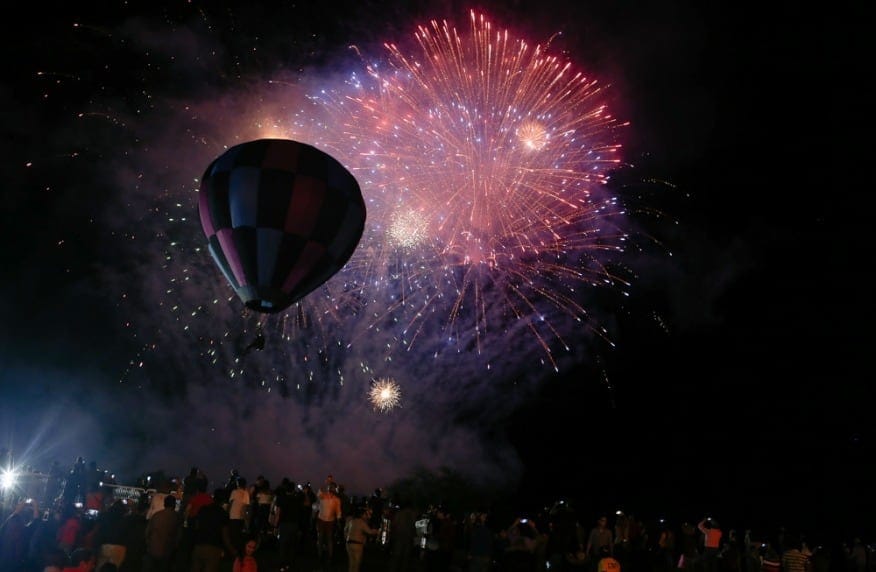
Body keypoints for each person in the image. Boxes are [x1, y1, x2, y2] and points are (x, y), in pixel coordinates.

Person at [143, 494, 180, 572]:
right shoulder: (176, 517)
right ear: (174, 505)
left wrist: (149, 545)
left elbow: (147, 532)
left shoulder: (156, 515)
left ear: (164, 504)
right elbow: (178, 537)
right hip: (166, 552)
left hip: (152, 549)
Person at [344, 505, 380, 572]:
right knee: (357, 564)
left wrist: (346, 537)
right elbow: (369, 532)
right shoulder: (361, 522)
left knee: (351, 563)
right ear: (362, 515)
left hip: (348, 543)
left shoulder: (352, 521)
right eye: (365, 514)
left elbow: (345, 530)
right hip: (357, 544)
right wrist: (377, 531)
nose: (366, 516)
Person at [315, 483, 342, 568]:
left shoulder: (336, 499)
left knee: (328, 539)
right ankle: (321, 556)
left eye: (332, 488)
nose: (331, 489)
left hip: (329, 520)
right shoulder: (324, 496)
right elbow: (318, 494)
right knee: (322, 538)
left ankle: (328, 557)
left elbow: (338, 511)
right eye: (330, 487)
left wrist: (338, 520)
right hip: (323, 520)